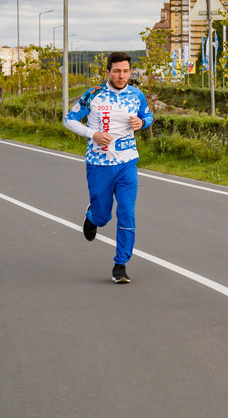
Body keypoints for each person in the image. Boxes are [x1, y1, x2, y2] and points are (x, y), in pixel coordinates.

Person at [64, 52, 153, 284]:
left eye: (125, 71)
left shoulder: (136, 95)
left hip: (127, 163)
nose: (121, 75)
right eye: (116, 71)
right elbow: (69, 119)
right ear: (108, 72)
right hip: (99, 164)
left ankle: (120, 264)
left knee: (126, 211)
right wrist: (92, 133)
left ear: (130, 72)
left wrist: (142, 122)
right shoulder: (93, 95)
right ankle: (92, 216)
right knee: (103, 216)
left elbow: (148, 115)